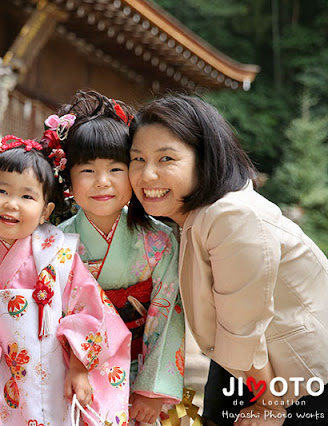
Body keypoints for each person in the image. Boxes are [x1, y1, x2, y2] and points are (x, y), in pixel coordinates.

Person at [127, 94, 328, 425]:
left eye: (166, 159)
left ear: (204, 160)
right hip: (247, 366)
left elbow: (244, 324)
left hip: (296, 380)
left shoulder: (231, 215)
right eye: (137, 159)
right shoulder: (194, 220)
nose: (147, 175)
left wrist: (268, 403)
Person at [0, 135, 132, 425]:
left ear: (45, 212)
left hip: (52, 375)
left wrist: (79, 367)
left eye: (27, 196)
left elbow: (92, 311)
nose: (11, 204)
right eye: (1, 191)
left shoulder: (57, 255)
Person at [54, 90, 185, 425]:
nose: (102, 182)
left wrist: (151, 390)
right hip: (71, 372)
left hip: (139, 369)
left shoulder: (159, 240)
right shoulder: (56, 242)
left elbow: (166, 316)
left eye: (116, 168)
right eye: (87, 171)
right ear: (67, 177)